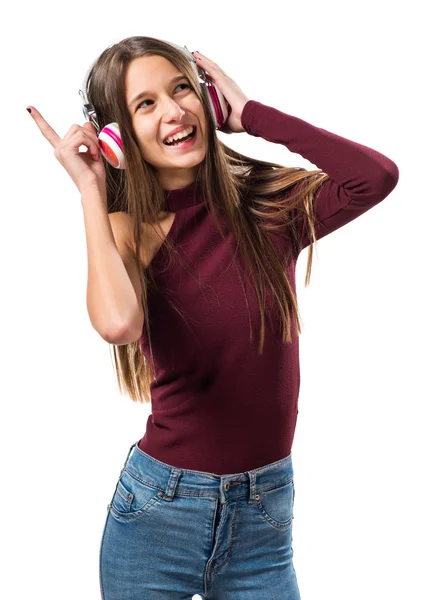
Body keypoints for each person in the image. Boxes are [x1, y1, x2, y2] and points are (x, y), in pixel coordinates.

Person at [27, 36, 399, 600]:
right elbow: (117, 325)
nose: (174, 111)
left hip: (264, 520)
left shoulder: (268, 210)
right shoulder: (129, 230)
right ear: (114, 139)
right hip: (157, 516)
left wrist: (252, 115)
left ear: (207, 100)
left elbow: (375, 177)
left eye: (182, 90)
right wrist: (89, 192)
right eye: (144, 104)